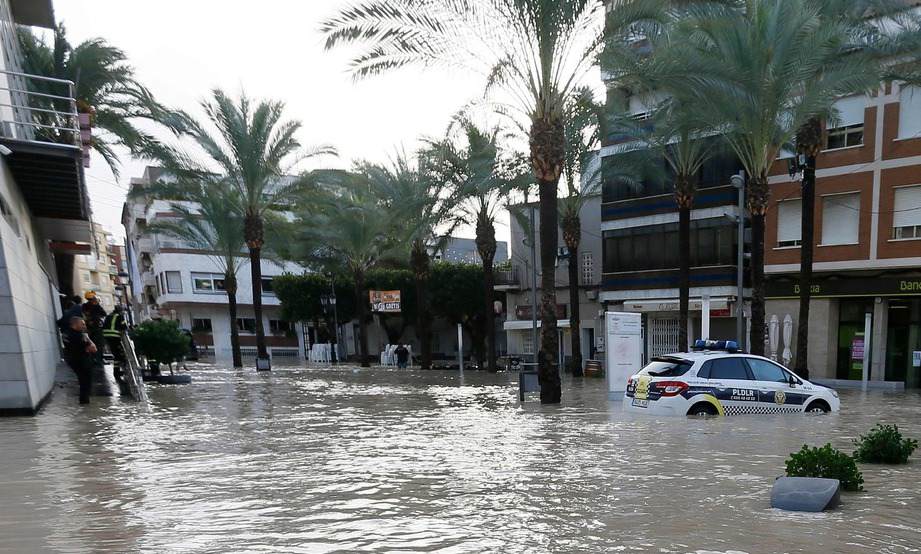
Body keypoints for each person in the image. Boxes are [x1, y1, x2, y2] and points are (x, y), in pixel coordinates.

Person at [63, 316, 97, 404]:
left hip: (72, 360)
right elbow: (94, 349)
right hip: (82, 360)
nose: (84, 326)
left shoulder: (66, 333)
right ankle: (85, 404)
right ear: (75, 324)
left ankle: (84, 404)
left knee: (82, 381)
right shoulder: (79, 335)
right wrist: (88, 338)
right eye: (82, 324)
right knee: (86, 383)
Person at [102, 305, 128, 381]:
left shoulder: (109, 315)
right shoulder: (120, 316)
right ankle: (117, 371)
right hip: (114, 336)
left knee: (115, 353)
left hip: (106, 336)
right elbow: (124, 327)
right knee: (118, 354)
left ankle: (117, 371)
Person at [82, 291, 107, 367]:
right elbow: (104, 313)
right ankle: (99, 360)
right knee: (99, 345)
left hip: (89, 328)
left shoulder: (84, 306)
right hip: (97, 328)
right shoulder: (96, 306)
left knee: (90, 344)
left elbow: (84, 315)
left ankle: (92, 359)